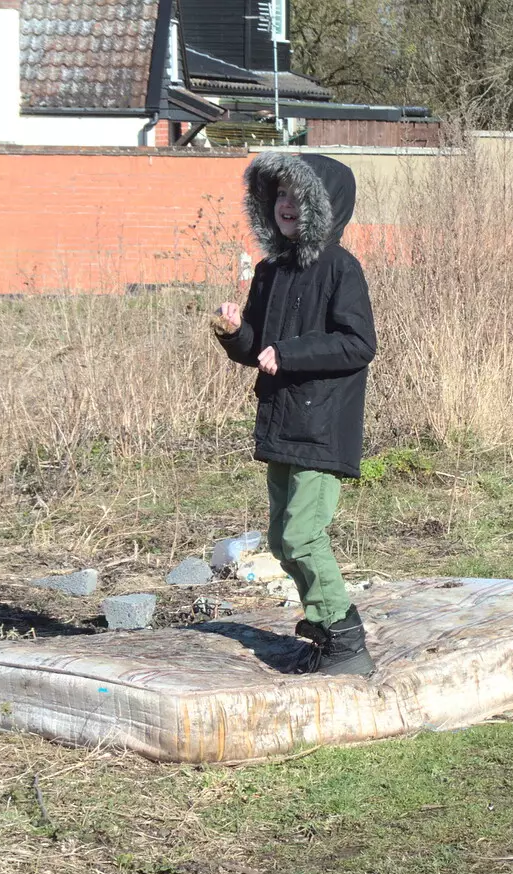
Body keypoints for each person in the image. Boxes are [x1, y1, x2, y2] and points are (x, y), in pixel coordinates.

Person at [213, 153, 378, 676]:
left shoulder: (340, 268)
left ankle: (347, 643)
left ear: (321, 206)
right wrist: (235, 333)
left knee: (303, 535)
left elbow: (358, 343)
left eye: (297, 196)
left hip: (324, 426)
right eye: (279, 195)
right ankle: (325, 628)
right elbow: (258, 348)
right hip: (282, 423)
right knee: (285, 540)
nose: (286, 205)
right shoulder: (269, 271)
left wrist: (291, 353)